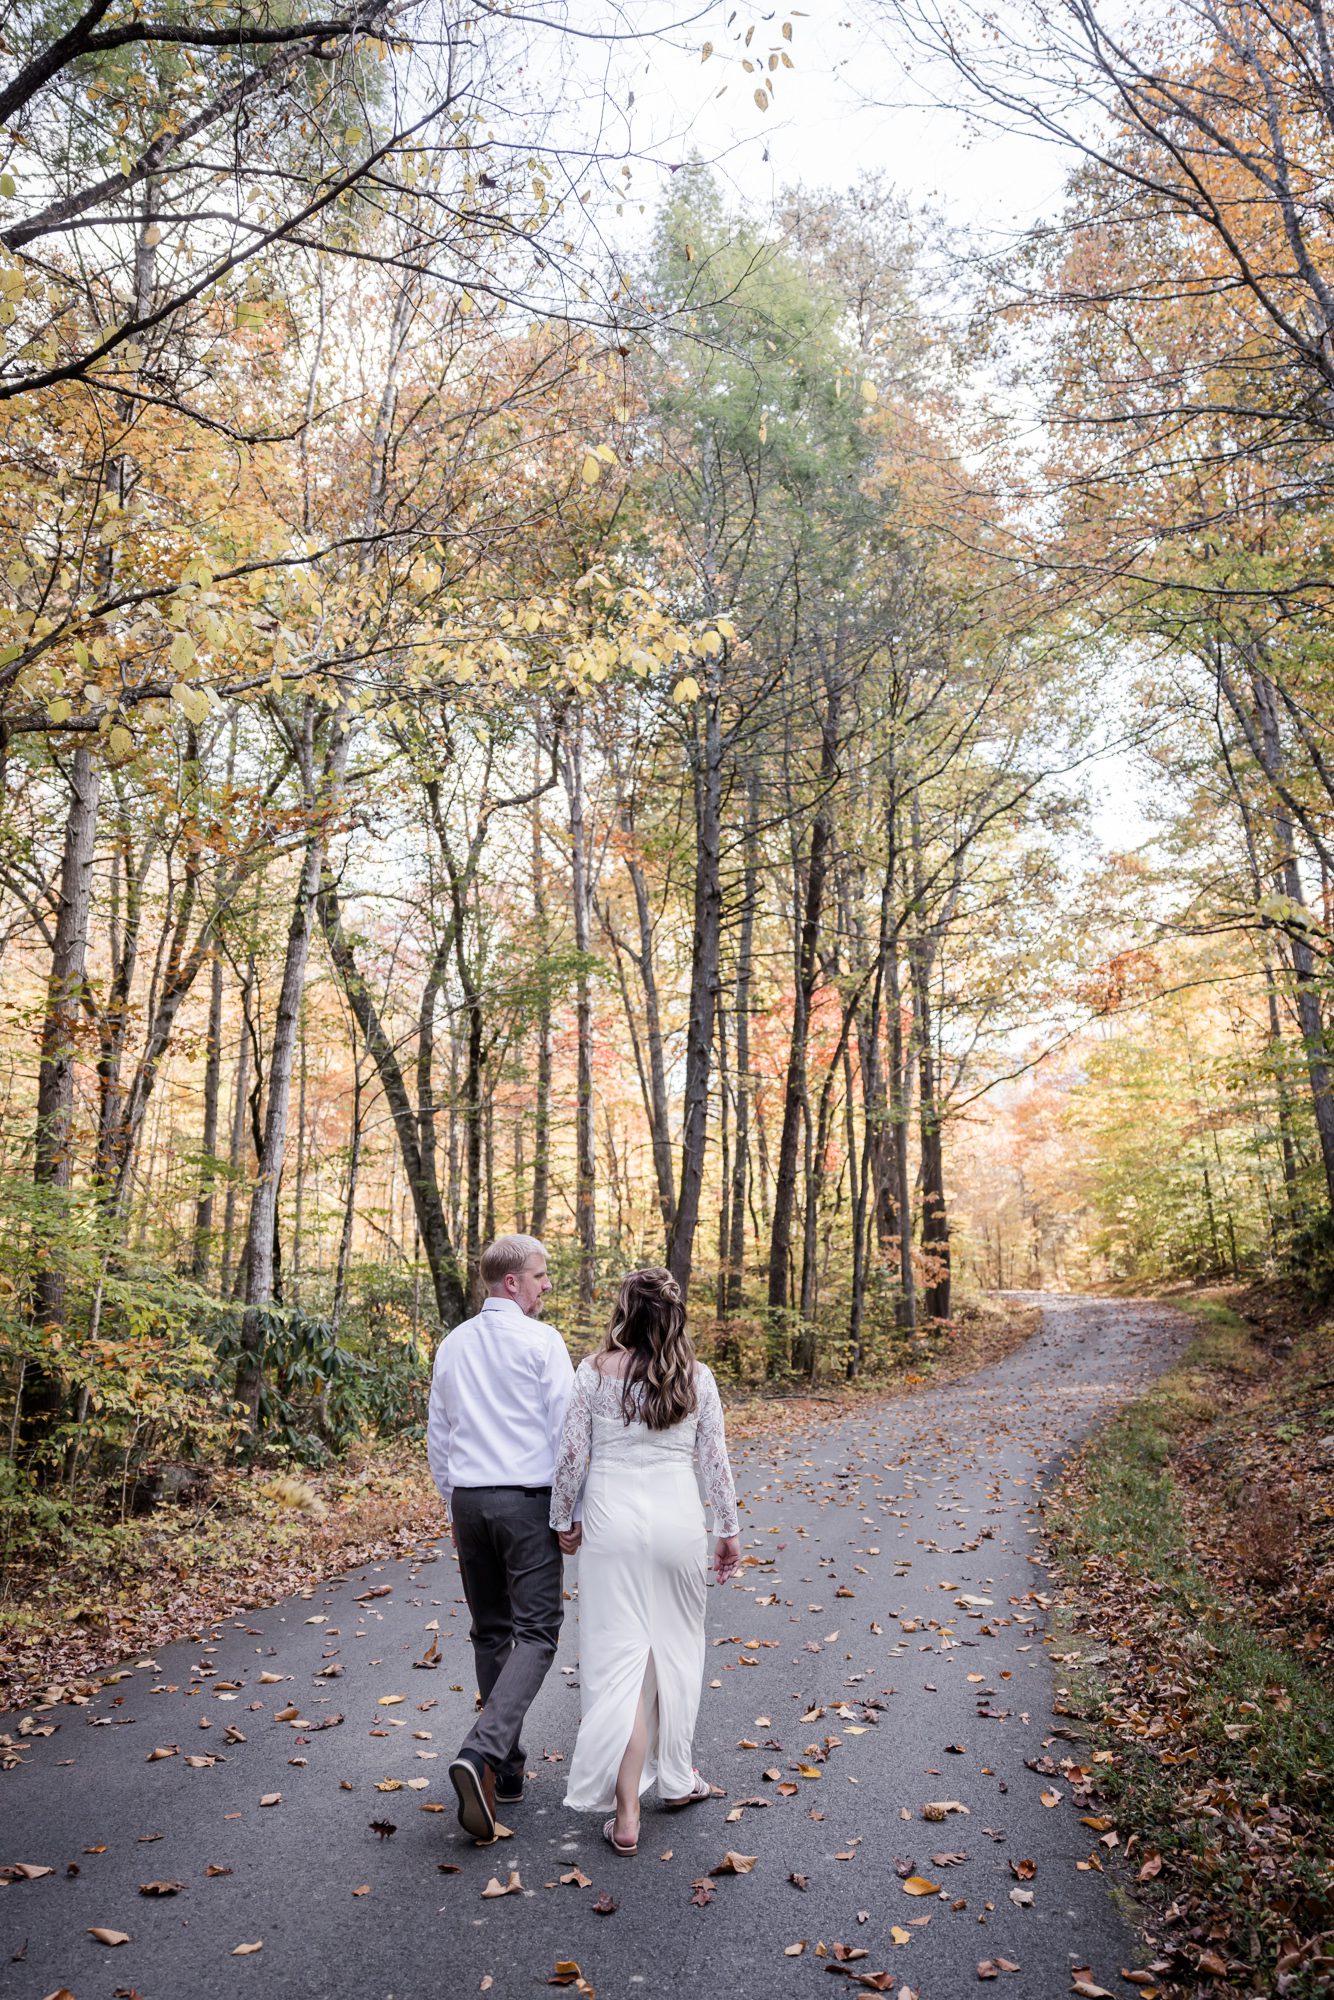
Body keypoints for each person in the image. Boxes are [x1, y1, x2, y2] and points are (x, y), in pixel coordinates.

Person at [550, 1266, 740, 1856]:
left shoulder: (592, 1373)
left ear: (625, 1314)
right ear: (674, 1316)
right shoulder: (697, 1377)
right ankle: (678, 1780)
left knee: (619, 1665)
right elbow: (716, 1462)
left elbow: (571, 1455)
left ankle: (628, 1811)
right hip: (678, 1524)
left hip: (612, 1528)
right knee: (677, 1654)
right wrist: (728, 1529)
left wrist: (563, 1519)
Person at [427, 1233, 574, 1842]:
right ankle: (484, 1749)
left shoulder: (452, 1344)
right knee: (537, 1633)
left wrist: (452, 1506)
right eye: (539, 1277)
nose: (545, 1287)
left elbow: (439, 1433)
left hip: (469, 1500)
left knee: (491, 1631)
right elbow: (568, 1434)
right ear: (511, 1281)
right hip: (525, 1501)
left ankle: (506, 1773)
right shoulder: (542, 1342)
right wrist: (568, 1512)